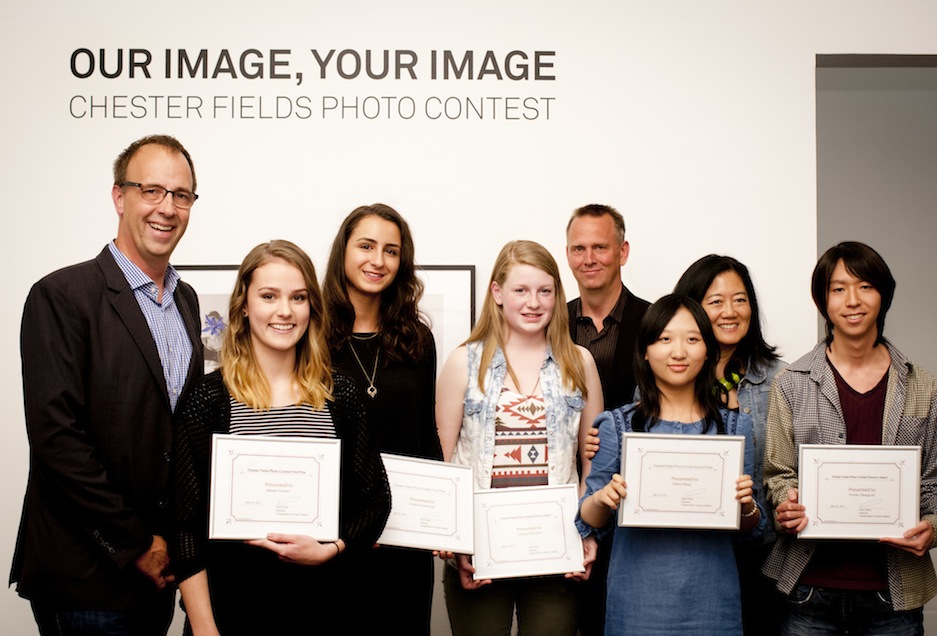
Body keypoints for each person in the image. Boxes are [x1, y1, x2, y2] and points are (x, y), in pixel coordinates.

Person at [10, 135, 203, 636]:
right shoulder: (61, 296)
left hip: (160, 574)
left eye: (181, 195)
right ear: (120, 197)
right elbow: (57, 441)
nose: (167, 208)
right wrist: (136, 542)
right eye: (152, 190)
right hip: (86, 576)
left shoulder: (186, 301)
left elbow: (180, 433)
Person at [171, 240, 391, 636]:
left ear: (312, 307)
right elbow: (184, 526)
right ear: (244, 304)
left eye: (299, 297)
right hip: (230, 612)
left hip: (325, 611)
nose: (285, 311)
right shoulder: (209, 397)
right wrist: (205, 628)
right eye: (269, 296)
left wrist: (332, 550)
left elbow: (376, 500)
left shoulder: (339, 394)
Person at [764, 241, 937, 636]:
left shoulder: (923, 386)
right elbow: (777, 473)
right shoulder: (791, 384)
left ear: (883, 295)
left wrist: (933, 526)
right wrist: (785, 504)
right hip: (809, 588)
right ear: (823, 301)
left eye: (865, 286)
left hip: (893, 593)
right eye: (838, 288)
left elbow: (933, 481)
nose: (852, 300)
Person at [436, 240, 603, 635]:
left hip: (555, 550)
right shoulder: (464, 361)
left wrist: (587, 532)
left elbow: (593, 463)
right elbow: (443, 463)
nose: (534, 302)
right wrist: (456, 543)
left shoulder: (580, 363)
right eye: (520, 290)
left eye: (545, 291)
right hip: (479, 552)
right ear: (497, 293)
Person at [577, 294, 765, 636]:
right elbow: (587, 520)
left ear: (707, 350)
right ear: (646, 351)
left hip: (713, 601)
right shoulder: (618, 426)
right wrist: (603, 498)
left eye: (692, 339)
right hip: (637, 603)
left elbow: (752, 527)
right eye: (665, 339)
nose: (679, 352)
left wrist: (747, 506)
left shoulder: (736, 428)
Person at [323, 203, 442, 634]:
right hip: (335, 533)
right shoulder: (311, 335)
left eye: (391, 251)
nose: (378, 260)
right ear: (344, 252)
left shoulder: (417, 338)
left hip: (405, 534)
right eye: (366, 246)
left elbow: (425, 433)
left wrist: (440, 518)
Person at [673, 254, 786, 636]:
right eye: (715, 300)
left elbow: (789, 467)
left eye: (740, 299)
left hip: (762, 554)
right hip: (685, 552)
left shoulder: (781, 380)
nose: (730, 311)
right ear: (693, 307)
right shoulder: (665, 374)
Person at [565, 203, 649, 636]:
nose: (589, 258)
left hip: (640, 504)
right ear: (567, 255)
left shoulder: (656, 324)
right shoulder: (547, 323)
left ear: (623, 251)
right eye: (579, 248)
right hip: (569, 502)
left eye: (601, 246)